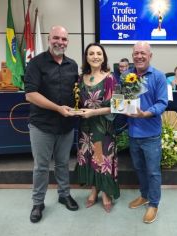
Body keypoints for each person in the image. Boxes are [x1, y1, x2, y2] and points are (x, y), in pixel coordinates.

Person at [24, 25, 79, 223]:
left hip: (66, 126)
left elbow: (76, 93)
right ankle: (38, 202)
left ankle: (64, 195)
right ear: (49, 39)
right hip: (42, 126)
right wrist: (58, 108)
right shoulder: (36, 63)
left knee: (63, 163)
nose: (60, 42)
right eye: (56, 38)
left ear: (67, 42)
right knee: (41, 166)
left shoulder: (72, 65)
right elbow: (30, 94)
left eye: (64, 39)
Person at [127, 41, 168, 224]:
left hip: (150, 134)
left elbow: (162, 103)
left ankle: (154, 203)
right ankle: (144, 195)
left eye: (143, 53)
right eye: (136, 53)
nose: (139, 56)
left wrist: (145, 113)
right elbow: (123, 100)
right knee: (139, 169)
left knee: (153, 172)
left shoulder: (158, 76)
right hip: (133, 133)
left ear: (150, 56)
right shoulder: (127, 76)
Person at [76, 42, 119, 213]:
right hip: (85, 129)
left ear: (104, 57)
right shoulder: (80, 79)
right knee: (88, 159)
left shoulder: (111, 78)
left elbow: (119, 106)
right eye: (91, 53)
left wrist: (93, 113)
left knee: (100, 160)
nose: (95, 56)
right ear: (86, 57)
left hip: (102, 129)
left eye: (99, 53)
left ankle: (106, 194)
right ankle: (94, 190)